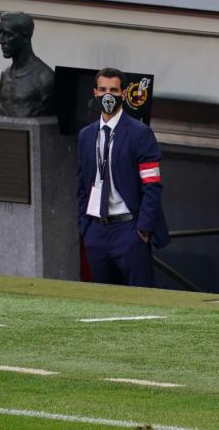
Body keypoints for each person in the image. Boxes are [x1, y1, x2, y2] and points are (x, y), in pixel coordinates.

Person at [76, 67, 169, 287]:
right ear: (95, 93)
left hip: (129, 230)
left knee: (141, 299)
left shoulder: (140, 133)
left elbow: (152, 185)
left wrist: (142, 230)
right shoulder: (86, 135)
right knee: (105, 300)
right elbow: (82, 183)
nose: (108, 95)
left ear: (124, 93)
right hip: (96, 230)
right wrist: (85, 226)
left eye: (114, 90)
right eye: (103, 89)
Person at [0, 11, 54, 117]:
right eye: (0, 34)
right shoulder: (5, 75)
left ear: (24, 37)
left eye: (8, 34)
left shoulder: (45, 78)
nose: (0, 41)